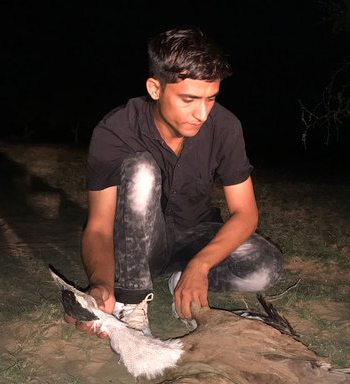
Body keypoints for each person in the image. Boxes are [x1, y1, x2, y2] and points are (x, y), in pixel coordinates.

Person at [68, 26, 283, 337]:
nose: (202, 113)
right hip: (134, 248)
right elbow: (99, 227)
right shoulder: (115, 130)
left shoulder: (225, 127)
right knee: (141, 169)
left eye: (211, 99)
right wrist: (101, 281)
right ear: (156, 88)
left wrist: (201, 265)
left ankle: (181, 277)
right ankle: (130, 300)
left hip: (193, 235)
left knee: (266, 266)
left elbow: (245, 212)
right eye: (189, 99)